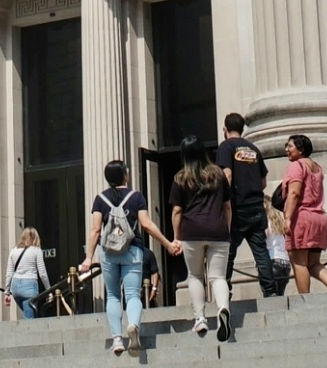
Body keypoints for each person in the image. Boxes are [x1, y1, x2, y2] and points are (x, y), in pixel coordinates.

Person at [79, 159, 175, 357]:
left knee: (113, 295)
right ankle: (133, 325)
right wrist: (167, 244)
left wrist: (88, 258)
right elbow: (146, 225)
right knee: (132, 294)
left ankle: (117, 340)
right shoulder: (136, 197)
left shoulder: (100, 199)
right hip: (132, 249)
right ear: (124, 175)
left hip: (108, 252)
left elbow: (95, 230)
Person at [169, 134, 233, 342]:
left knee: (195, 276)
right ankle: (222, 307)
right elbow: (227, 206)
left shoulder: (181, 178)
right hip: (218, 230)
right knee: (218, 277)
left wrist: (176, 237)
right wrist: (226, 229)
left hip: (192, 231)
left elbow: (177, 211)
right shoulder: (218, 174)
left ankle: (200, 319)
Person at [216, 112, 276, 299]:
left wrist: (222, 200)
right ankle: (270, 291)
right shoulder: (253, 148)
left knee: (228, 251)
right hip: (256, 207)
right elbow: (263, 182)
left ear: (225, 129)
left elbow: (227, 175)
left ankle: (224, 291)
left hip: (237, 208)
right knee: (261, 251)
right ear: (242, 129)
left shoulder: (226, 147)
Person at [280, 134, 327, 295]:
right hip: (319, 217)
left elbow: (294, 193)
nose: (286, 149)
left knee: (299, 262)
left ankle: (305, 300)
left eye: (290, 146)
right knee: (313, 263)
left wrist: (287, 218)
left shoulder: (296, 166)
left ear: (300, 149)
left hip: (302, 217)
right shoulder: (317, 167)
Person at [3, 228, 49, 322]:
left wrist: (7, 292)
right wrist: (49, 290)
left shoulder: (13, 250)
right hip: (29, 286)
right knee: (29, 319)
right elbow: (42, 273)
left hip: (16, 287)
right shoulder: (36, 250)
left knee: (27, 313)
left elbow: (9, 273)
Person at [265, 197, 292, 296]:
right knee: (280, 296)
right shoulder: (279, 221)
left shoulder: (264, 221)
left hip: (271, 261)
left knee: (270, 297)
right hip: (285, 262)